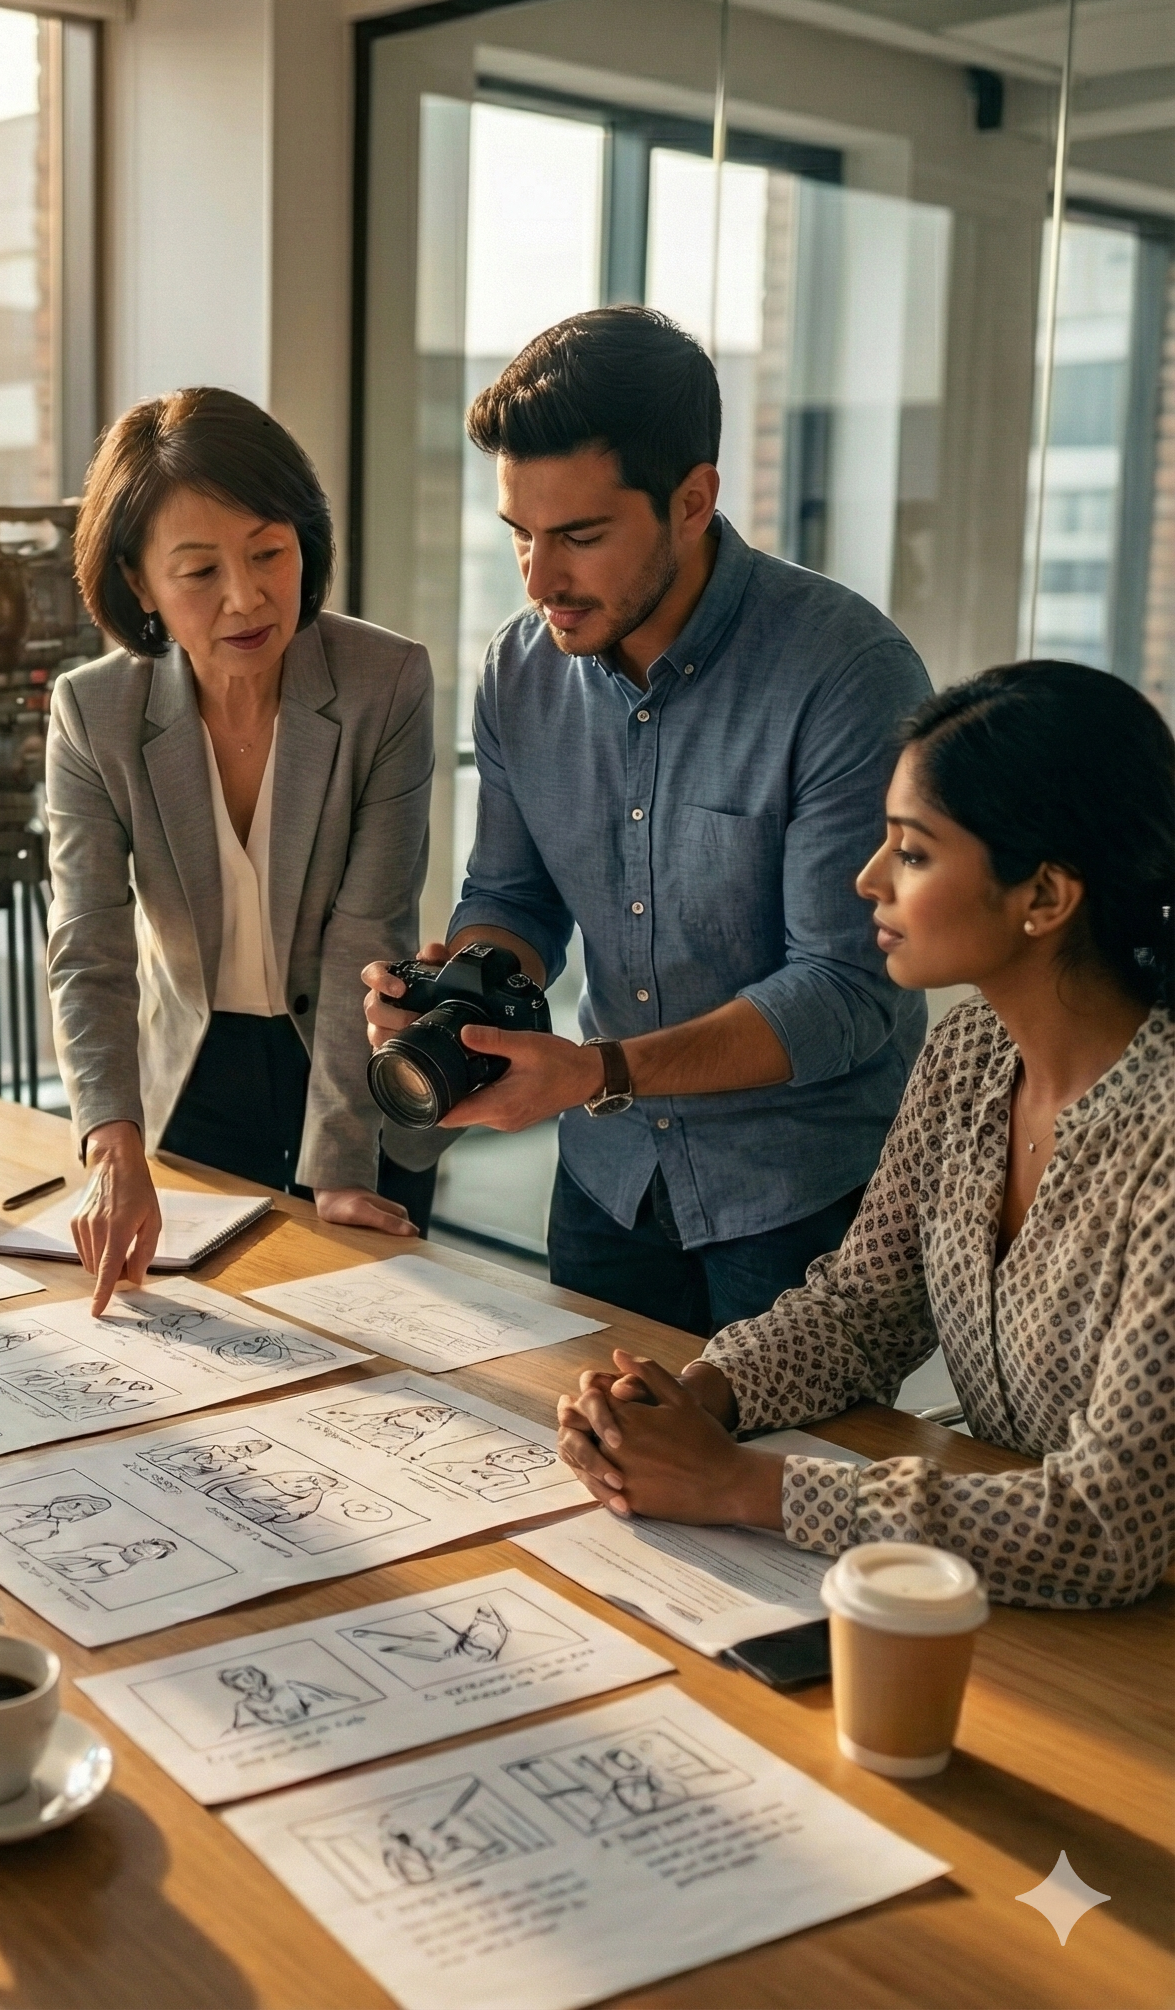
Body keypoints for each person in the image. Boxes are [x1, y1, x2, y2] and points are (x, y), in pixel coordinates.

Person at [555, 662, 1175, 1609]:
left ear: (1044, 897)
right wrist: (700, 1396)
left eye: (914, 853)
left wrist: (741, 1486)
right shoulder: (971, 1052)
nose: (868, 878)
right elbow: (862, 1310)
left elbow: (1106, 1524)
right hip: (991, 1605)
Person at [365, 307, 933, 1333]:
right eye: (519, 537)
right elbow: (511, 899)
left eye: (578, 537)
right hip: (607, 1181)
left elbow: (845, 986)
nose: (539, 580)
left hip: (800, 1197)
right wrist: (463, 996)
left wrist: (598, 1071)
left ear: (690, 500)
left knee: (773, 1483)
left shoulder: (843, 672)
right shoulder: (518, 666)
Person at [51, 386, 444, 1310]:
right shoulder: (94, 713)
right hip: (192, 1079)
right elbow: (91, 950)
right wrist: (112, 1147)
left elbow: (369, 934)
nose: (246, 596)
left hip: (353, 1070)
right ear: (139, 583)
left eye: (269, 551)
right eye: (198, 571)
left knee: (365, 1345)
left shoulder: (385, 682)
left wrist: (342, 1167)